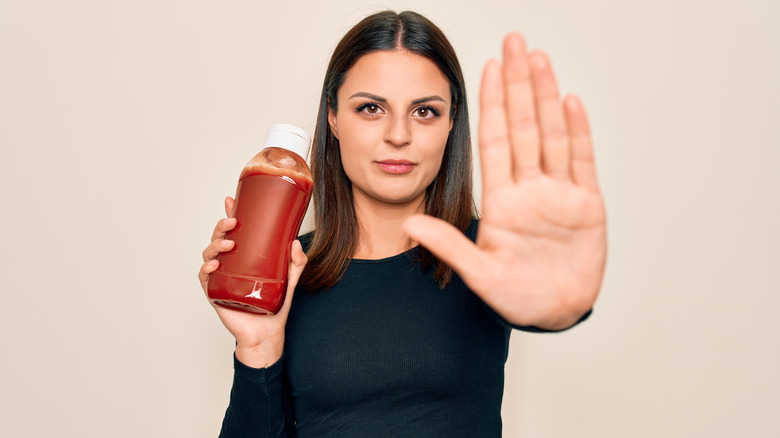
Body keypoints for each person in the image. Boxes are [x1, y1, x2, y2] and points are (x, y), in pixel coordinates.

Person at [198, 10, 606, 438]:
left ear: (452, 122)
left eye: (425, 111)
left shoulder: (488, 256)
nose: (398, 134)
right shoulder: (290, 268)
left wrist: (561, 304)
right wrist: (258, 343)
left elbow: (539, 299)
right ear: (334, 117)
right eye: (371, 108)